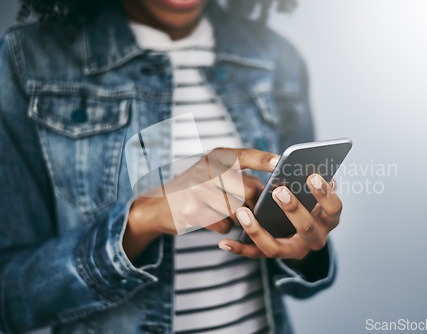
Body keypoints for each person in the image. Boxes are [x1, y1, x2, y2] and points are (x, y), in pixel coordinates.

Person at [0, 0, 343, 333]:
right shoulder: (27, 59)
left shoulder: (275, 56)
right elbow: (10, 298)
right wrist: (142, 220)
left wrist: (303, 248)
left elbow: (303, 280)